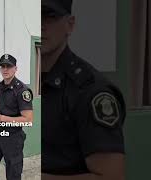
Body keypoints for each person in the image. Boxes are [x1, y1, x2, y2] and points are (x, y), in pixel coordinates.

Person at [41, 0, 126, 179]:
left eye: (49, 17)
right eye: (34, 16)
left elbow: (111, 176)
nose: (40, 25)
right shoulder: (15, 81)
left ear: (69, 25)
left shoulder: (90, 90)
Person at [0, 54, 34, 180]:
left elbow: (28, 120)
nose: (5, 69)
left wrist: (0, 118)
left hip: (12, 137)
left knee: (13, 173)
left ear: (15, 68)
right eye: (3, 66)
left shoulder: (22, 91)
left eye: (9, 66)